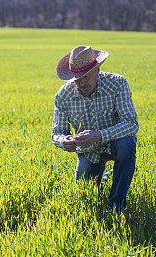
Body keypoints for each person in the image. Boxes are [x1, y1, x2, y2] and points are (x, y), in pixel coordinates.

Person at [51, 46, 139, 212]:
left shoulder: (117, 84)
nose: (82, 83)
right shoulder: (63, 95)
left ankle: (116, 205)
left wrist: (99, 135)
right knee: (86, 198)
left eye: (86, 76)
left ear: (97, 69)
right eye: (77, 78)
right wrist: (64, 141)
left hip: (116, 144)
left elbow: (131, 123)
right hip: (88, 151)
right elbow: (57, 133)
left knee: (126, 144)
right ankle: (108, 177)